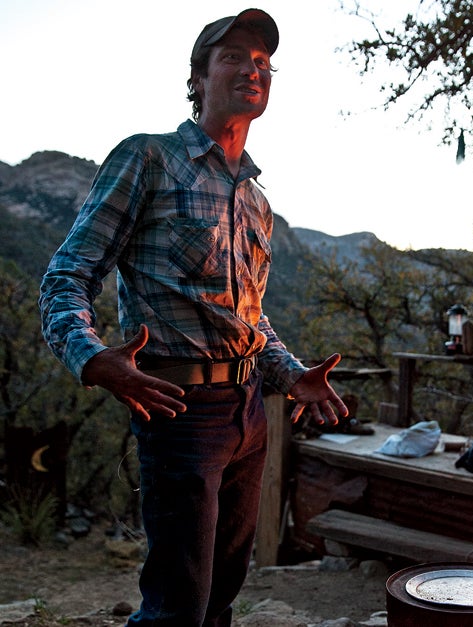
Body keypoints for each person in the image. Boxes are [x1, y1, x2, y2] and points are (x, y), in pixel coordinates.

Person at [39, 9, 348, 626]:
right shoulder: (148, 158)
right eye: (233, 56)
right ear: (199, 77)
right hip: (177, 410)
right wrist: (91, 355)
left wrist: (292, 376)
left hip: (248, 413)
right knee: (178, 601)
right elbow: (67, 275)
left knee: (222, 594)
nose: (251, 69)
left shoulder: (258, 203)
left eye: (262, 62)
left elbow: (249, 323)